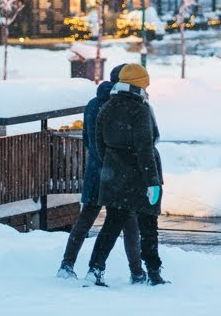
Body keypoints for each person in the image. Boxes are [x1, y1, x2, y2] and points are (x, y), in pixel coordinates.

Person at [57, 67, 143, 283]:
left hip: (96, 173)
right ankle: (136, 272)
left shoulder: (93, 104)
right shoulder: (117, 106)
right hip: (116, 176)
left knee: (85, 221)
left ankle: (67, 265)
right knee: (129, 222)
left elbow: (90, 140)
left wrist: (102, 163)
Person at [84, 63, 167, 287]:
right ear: (140, 85)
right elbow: (145, 149)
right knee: (148, 227)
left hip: (114, 179)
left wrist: (114, 164)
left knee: (111, 226)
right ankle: (153, 273)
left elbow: (99, 145)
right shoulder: (139, 109)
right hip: (140, 179)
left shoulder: (108, 107)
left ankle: (95, 269)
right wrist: (153, 182)